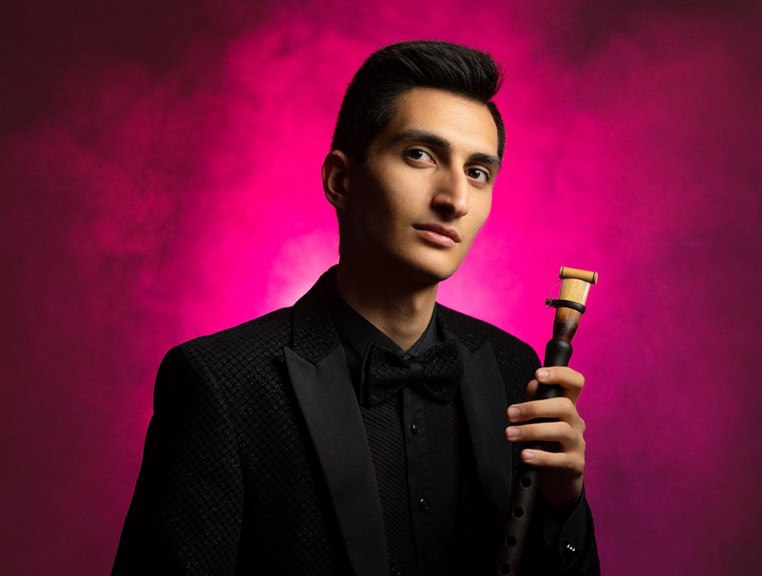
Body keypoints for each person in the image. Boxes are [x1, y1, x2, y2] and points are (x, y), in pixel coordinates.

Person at [112, 40, 599, 575]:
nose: (454, 199)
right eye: (420, 155)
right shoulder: (221, 384)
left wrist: (563, 506)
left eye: (478, 172)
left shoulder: (514, 371)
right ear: (341, 180)